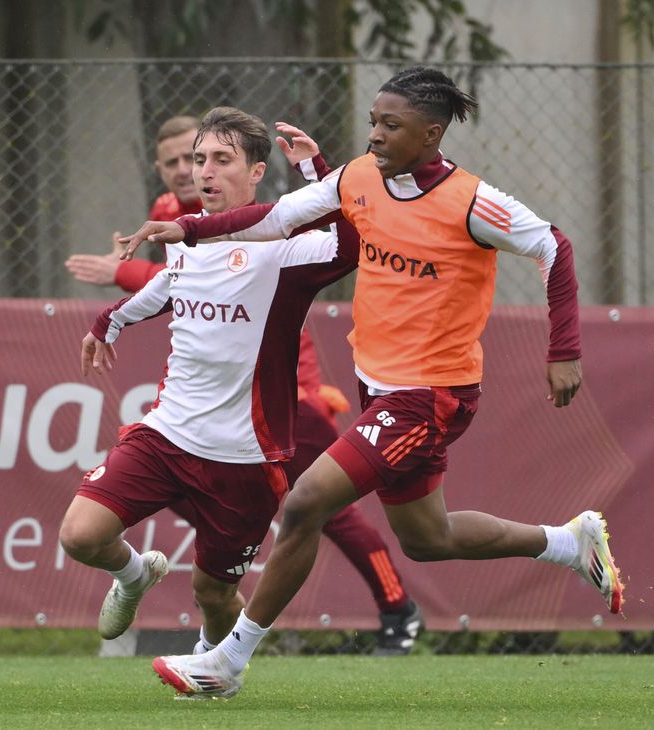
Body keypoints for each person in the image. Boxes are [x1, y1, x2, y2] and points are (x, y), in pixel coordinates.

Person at [119, 67, 624, 699]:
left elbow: (555, 246)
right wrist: (191, 228)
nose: (377, 135)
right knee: (426, 539)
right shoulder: (357, 175)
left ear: (431, 134)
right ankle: (567, 543)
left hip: (431, 394)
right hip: (378, 386)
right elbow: (275, 218)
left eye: (392, 125)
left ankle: (229, 660)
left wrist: (565, 351)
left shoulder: (472, 201)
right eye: (374, 122)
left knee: (305, 503)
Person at [65, 114, 423, 654]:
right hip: (166, 435)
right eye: (197, 159)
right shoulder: (185, 237)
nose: (201, 171)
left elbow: (349, 243)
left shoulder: (285, 248)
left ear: (258, 171)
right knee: (81, 535)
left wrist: (314, 167)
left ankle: (221, 669)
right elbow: (169, 284)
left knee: (213, 592)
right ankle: (136, 575)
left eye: (220, 160)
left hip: (245, 459)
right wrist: (109, 321)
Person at [64, 116, 203, 292]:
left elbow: (205, 276)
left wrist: (125, 272)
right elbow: (182, 279)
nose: (182, 170)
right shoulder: (163, 211)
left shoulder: (233, 205)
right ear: (160, 171)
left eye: (191, 158)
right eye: (172, 163)